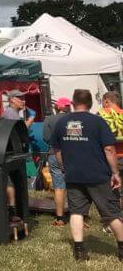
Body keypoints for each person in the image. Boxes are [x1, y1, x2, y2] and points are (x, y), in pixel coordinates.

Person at [49, 89, 123, 261]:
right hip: (98, 175)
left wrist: (64, 167)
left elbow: (57, 149)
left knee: (76, 212)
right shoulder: (98, 122)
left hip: (74, 174)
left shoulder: (62, 122)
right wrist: (115, 173)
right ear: (90, 104)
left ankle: (79, 250)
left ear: (73, 104)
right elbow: (109, 149)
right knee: (111, 213)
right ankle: (121, 249)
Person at [43, 98, 72, 226]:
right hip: (72, 154)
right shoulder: (73, 119)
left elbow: (46, 138)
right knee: (74, 186)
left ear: (58, 107)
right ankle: (77, 216)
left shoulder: (49, 119)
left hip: (54, 153)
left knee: (59, 186)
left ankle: (60, 218)